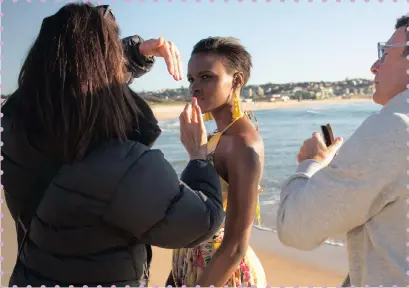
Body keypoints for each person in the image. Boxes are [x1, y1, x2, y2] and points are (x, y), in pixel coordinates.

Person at [2, 3, 225, 286]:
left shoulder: (14, 125)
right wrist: (198, 157)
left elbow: (71, 73)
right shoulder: (123, 166)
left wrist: (134, 54)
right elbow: (201, 221)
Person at [276, 15, 409, 286]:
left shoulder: (393, 128)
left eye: (384, 54)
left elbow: (296, 227)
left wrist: (311, 164)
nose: (374, 66)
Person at [166, 37, 267, 287]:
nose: (195, 87)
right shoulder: (212, 138)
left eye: (206, 77)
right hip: (192, 266)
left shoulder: (243, 142)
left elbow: (235, 245)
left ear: (236, 81)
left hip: (221, 275)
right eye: (191, 79)